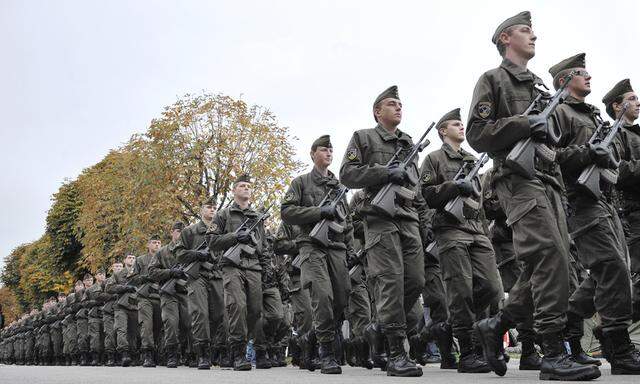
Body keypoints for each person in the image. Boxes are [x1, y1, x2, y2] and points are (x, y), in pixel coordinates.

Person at [466, 11, 600, 380]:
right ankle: (553, 353)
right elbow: (477, 134)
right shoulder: (493, 79)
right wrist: (525, 123)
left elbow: (554, 140)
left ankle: (497, 325)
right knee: (550, 258)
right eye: (526, 31)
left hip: (549, 181)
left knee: (550, 263)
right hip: (518, 181)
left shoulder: (541, 87)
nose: (534, 36)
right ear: (506, 38)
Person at [340, 85, 425, 377]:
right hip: (379, 219)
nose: (398, 108)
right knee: (390, 283)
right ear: (378, 111)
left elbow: (416, 185)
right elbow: (348, 175)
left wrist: (423, 221)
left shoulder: (409, 141)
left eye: (400, 104)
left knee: (415, 280)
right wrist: (385, 172)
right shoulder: (363, 137)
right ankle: (396, 353)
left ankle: (377, 328)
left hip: (408, 217)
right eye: (392, 104)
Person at [420, 108, 504, 373]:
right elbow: (426, 195)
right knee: (460, 290)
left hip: (477, 229)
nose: (461, 128)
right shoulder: (433, 159)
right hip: (451, 229)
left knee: (492, 288)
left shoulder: (473, 160)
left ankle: (454, 330)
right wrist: (454, 187)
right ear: (443, 131)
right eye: (456, 124)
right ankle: (468, 351)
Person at [281, 135, 353, 374]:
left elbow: (348, 221)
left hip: (337, 248)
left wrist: (350, 249)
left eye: (331, 150)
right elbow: (287, 212)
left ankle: (310, 337)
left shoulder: (340, 187)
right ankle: (326, 351)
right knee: (323, 297)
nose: (329, 153)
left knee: (341, 298)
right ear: (313, 154)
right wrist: (319, 211)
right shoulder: (301, 183)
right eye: (324, 150)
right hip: (311, 247)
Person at [208, 174, 272, 371]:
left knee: (255, 310)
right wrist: (236, 236)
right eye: (242, 186)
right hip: (231, 266)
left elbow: (264, 246)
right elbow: (212, 242)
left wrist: (267, 268)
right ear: (234, 191)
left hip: (253, 266)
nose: (246, 189)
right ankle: (237, 353)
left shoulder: (257, 217)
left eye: (248, 186)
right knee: (237, 307)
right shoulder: (223, 215)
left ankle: (260, 350)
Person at [606, 79, 640, 324]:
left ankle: (612, 330)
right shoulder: (614, 134)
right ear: (617, 106)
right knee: (630, 276)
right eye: (632, 98)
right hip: (631, 215)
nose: (638, 103)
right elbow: (618, 172)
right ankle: (612, 328)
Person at [149, 221, 192, 368]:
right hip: (169, 293)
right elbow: (152, 272)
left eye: (183, 232)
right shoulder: (163, 252)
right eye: (178, 231)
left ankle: (189, 354)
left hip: (186, 292)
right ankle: (172, 354)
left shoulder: (189, 250)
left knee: (188, 324)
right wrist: (170, 272)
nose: (181, 234)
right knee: (171, 324)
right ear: (172, 232)